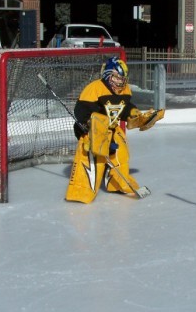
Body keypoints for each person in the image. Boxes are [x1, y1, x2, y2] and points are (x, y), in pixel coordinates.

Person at [66, 56, 164, 203]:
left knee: (121, 154)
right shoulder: (94, 89)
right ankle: (81, 191)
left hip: (111, 129)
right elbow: (81, 111)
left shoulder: (124, 90)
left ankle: (117, 184)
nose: (120, 82)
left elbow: (124, 108)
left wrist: (134, 114)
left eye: (122, 79)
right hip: (93, 131)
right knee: (93, 161)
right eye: (116, 78)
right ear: (107, 75)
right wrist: (88, 125)